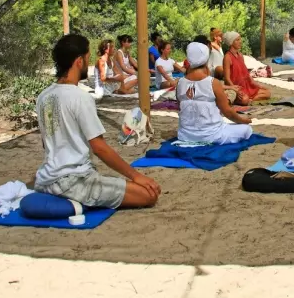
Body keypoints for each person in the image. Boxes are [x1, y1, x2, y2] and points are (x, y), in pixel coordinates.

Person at [34, 34, 160, 209]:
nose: (89, 63)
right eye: (87, 58)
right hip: (74, 182)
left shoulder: (44, 96)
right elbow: (99, 148)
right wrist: (136, 176)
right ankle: (77, 201)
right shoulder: (80, 97)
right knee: (148, 195)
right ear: (79, 61)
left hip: (45, 179)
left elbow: (46, 142)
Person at [175, 42, 254, 144]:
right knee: (246, 129)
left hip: (185, 135)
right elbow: (227, 112)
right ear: (206, 59)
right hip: (212, 135)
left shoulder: (180, 82)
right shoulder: (213, 82)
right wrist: (243, 121)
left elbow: (180, 108)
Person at [223, 31, 272, 104]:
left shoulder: (240, 55)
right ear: (231, 42)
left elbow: (246, 74)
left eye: (240, 39)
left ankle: (250, 99)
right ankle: (246, 99)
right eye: (237, 40)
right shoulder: (227, 57)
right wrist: (235, 89)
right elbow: (227, 79)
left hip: (246, 85)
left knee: (267, 93)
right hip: (235, 87)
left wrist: (257, 85)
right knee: (244, 100)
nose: (240, 42)